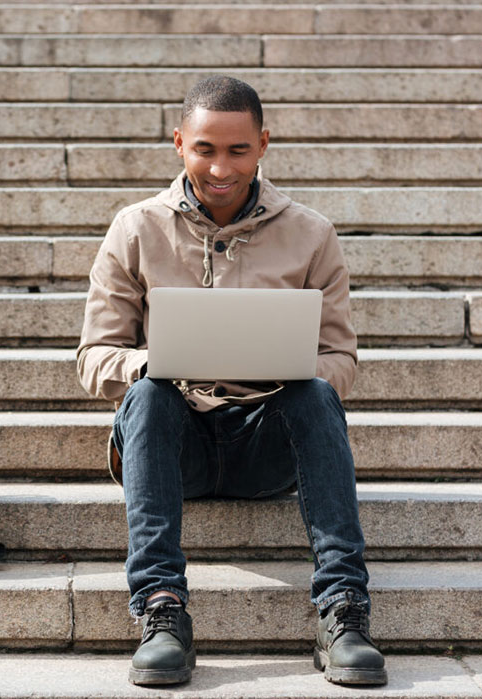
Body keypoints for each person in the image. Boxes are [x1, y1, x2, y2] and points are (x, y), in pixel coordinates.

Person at [75, 75, 387, 687]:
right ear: (179, 144)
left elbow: (341, 360)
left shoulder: (311, 234)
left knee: (316, 392)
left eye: (238, 150)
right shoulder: (135, 229)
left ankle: (343, 611)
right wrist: (153, 362)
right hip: (175, 443)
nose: (221, 167)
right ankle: (162, 610)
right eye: (205, 149)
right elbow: (94, 356)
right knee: (146, 396)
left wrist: (282, 365)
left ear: (263, 144)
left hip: (267, 443)